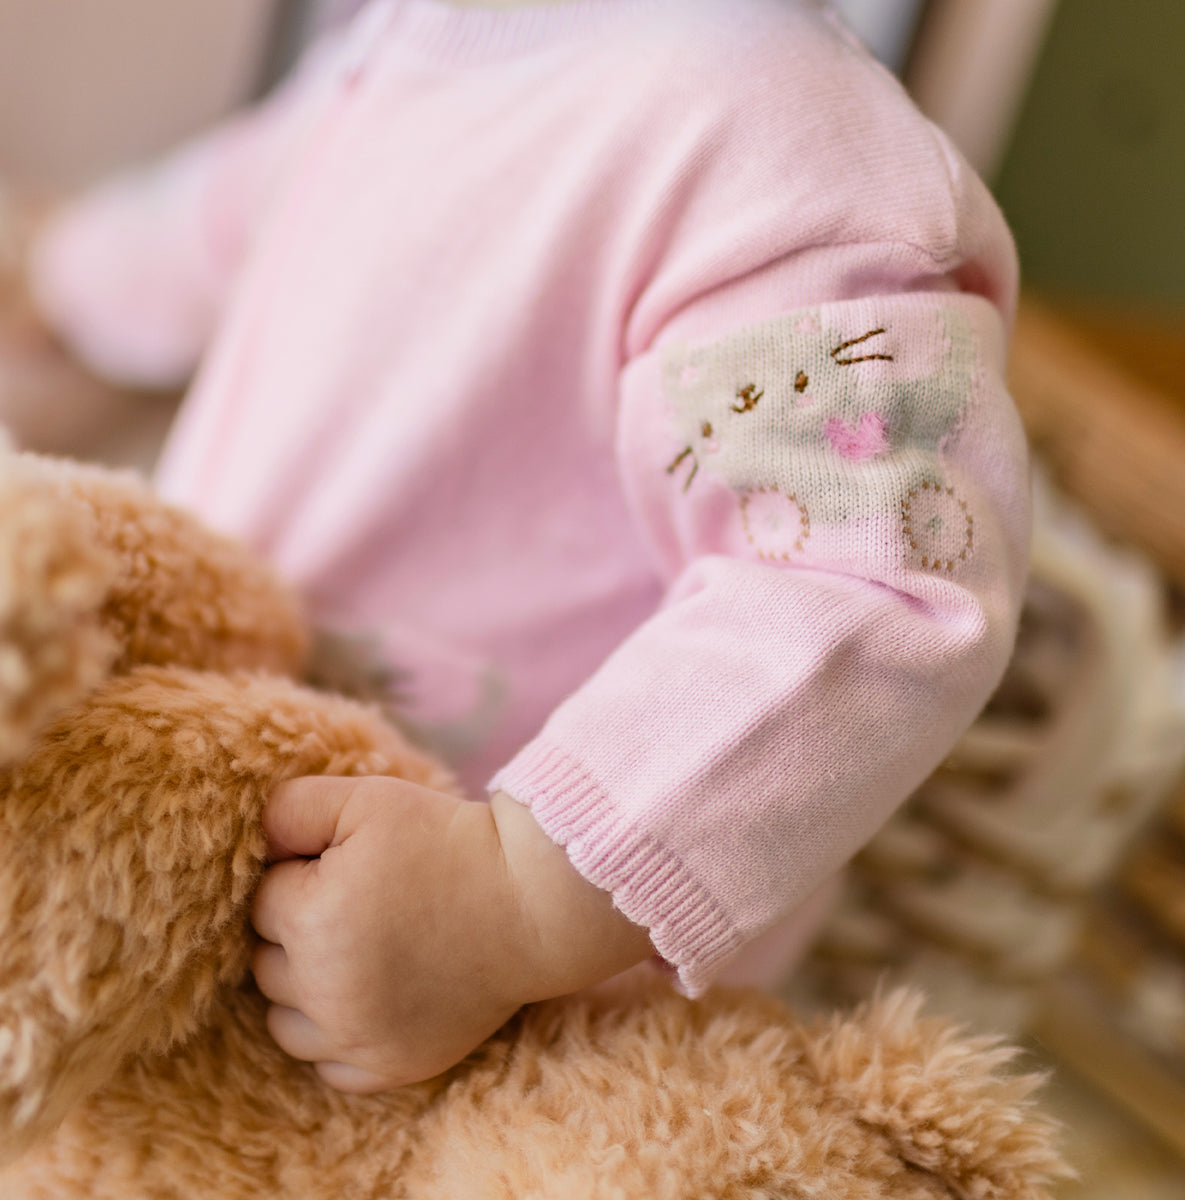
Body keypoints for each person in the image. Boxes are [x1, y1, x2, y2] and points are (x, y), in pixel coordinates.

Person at [14, 0, 1030, 1094]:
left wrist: (514, 902)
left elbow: (874, 580)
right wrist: (62, 275)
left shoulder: (772, 138)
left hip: (478, 1005)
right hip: (201, 864)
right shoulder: (423, 39)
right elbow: (226, 218)